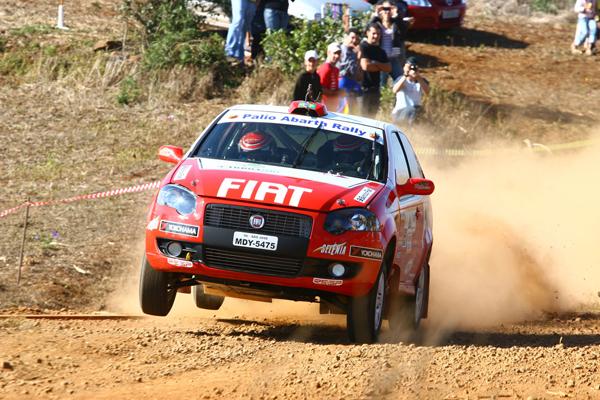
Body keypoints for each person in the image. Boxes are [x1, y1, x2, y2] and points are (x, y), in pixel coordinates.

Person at [370, 0, 411, 88]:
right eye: (384, 9)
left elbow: (403, 32)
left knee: (400, 81)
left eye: (389, 9)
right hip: (381, 59)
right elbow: (368, 29)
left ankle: (396, 100)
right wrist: (376, 13)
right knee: (382, 84)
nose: (386, 11)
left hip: (393, 58)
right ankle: (382, 101)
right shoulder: (377, 23)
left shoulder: (395, 23)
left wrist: (396, 14)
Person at [359, 23, 391, 117]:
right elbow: (366, 66)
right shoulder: (364, 47)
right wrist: (380, 66)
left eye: (378, 34)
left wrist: (375, 63)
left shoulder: (381, 52)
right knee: (362, 118)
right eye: (373, 33)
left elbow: (389, 68)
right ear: (367, 33)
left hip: (375, 90)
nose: (376, 36)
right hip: (363, 89)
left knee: (372, 119)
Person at [391, 57, 429, 125]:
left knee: (416, 110)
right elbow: (395, 90)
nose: (413, 69)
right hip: (400, 111)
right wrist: (406, 75)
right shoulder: (401, 79)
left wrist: (418, 76)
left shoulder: (421, 81)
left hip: (414, 112)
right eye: (411, 67)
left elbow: (427, 92)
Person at [338, 28, 363, 114]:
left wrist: (359, 58)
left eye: (356, 39)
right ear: (347, 37)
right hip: (342, 82)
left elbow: (358, 74)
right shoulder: (340, 50)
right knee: (343, 110)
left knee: (353, 111)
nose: (354, 41)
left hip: (352, 83)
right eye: (352, 38)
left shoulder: (355, 52)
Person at [317, 43, 343, 111]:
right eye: (335, 53)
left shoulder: (336, 69)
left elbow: (333, 87)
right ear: (328, 53)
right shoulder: (325, 68)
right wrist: (336, 93)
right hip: (324, 107)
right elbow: (319, 89)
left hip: (332, 106)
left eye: (339, 53)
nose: (337, 56)